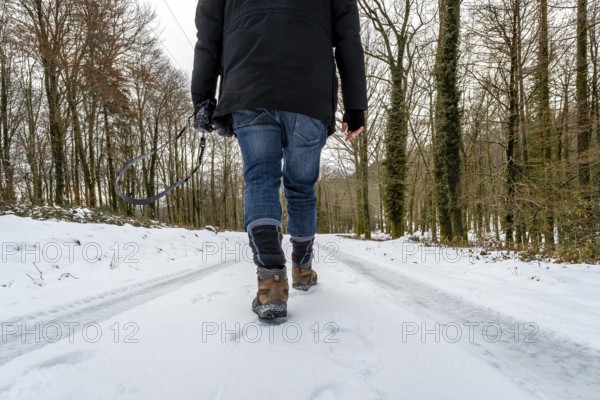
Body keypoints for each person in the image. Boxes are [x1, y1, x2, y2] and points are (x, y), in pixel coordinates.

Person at [192, 0, 367, 319]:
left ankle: (271, 283)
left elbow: (209, 36)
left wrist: (202, 98)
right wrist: (356, 105)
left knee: (260, 180)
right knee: (301, 188)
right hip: (308, 92)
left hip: (247, 85)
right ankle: (302, 269)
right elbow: (347, 37)